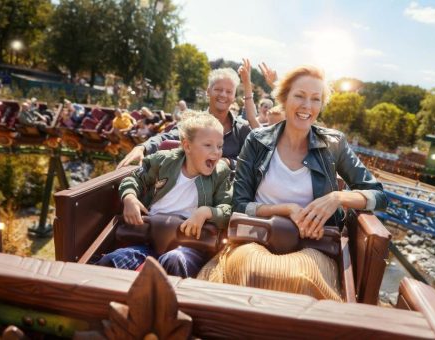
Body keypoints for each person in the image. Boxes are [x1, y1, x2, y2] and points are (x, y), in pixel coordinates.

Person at [197, 64, 387, 300]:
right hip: (257, 238)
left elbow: (379, 196)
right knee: (254, 270)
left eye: (315, 99)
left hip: (313, 246)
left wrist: (337, 197)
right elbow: (239, 204)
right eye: (299, 96)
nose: (307, 106)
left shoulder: (334, 143)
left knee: (301, 279)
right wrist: (286, 210)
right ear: (284, 99)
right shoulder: (257, 140)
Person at [97, 112, 232, 278]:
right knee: (114, 260)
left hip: (190, 243)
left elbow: (227, 208)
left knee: (174, 260)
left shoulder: (220, 173)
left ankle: (171, 301)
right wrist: (130, 197)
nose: (216, 152)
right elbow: (135, 179)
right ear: (187, 146)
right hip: (149, 237)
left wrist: (206, 212)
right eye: (208, 145)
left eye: (220, 146)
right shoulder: (163, 161)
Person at [117, 68, 251, 170]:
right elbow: (167, 137)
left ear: (234, 97)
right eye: (218, 89)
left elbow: (249, 161)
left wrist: (228, 162)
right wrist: (142, 148)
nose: (223, 95)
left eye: (229, 92)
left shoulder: (242, 129)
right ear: (208, 91)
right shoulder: (193, 122)